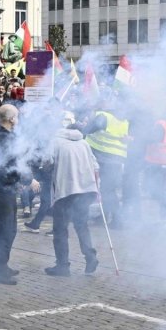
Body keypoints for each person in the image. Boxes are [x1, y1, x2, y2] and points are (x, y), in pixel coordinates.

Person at [45, 114, 99, 277]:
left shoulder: (55, 142)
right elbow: (95, 166)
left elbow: (47, 162)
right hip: (86, 190)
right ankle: (90, 257)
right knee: (81, 225)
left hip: (66, 192)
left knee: (60, 229)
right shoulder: (84, 143)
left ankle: (62, 266)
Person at [0, 104, 25, 285]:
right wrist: (24, 179)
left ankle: (2, 265)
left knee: (7, 229)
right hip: (0, 189)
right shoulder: (4, 138)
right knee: (3, 231)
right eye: (16, 117)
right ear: (11, 119)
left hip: (2, 188)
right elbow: (8, 165)